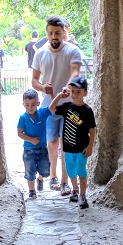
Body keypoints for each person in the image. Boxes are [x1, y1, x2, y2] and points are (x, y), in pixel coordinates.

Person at [31, 16, 82, 194]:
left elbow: (75, 72)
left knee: (67, 144)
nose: (54, 36)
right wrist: (43, 87)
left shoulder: (73, 51)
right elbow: (34, 81)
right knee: (52, 142)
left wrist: (68, 87)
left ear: (64, 33)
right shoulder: (40, 54)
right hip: (49, 105)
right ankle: (52, 176)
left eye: (58, 33)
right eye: (51, 33)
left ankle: (64, 181)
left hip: (69, 105)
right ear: (47, 33)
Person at [49, 76, 96, 209]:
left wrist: (90, 146)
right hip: (68, 148)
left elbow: (92, 130)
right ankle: (75, 190)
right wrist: (59, 95)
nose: (75, 94)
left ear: (85, 93)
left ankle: (82, 195)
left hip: (82, 148)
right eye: (73, 91)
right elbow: (52, 108)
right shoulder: (67, 107)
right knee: (71, 171)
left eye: (78, 92)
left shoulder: (87, 111)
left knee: (81, 171)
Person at [16, 88, 51, 198]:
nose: (30, 108)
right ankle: (31, 190)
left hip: (42, 148)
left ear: (38, 103)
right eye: (27, 105)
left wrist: (57, 95)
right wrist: (31, 139)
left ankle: (40, 179)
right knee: (30, 171)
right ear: (23, 104)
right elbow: (19, 133)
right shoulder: (23, 118)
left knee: (45, 168)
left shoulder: (42, 113)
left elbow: (53, 107)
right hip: (29, 150)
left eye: (33, 105)